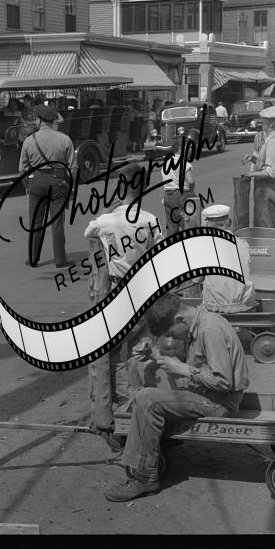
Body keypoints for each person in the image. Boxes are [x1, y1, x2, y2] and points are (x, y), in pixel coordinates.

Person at [104, 292, 249, 502]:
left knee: (147, 399)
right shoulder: (199, 323)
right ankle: (155, 443)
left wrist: (183, 369)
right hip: (206, 393)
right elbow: (196, 365)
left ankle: (145, 477)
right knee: (149, 379)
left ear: (180, 319)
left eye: (171, 333)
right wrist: (155, 356)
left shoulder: (210, 330)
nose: (173, 338)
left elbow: (224, 382)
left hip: (219, 402)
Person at [84, 163, 163, 439]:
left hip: (117, 292)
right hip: (143, 292)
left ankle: (125, 408)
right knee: (141, 349)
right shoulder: (150, 220)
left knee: (116, 354)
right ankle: (143, 401)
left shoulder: (106, 221)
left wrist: (113, 208)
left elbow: (89, 232)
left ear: (119, 188)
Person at [19, 105, 77, 268]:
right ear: (52, 121)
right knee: (57, 223)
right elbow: (73, 168)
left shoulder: (29, 140)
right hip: (58, 182)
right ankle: (60, 259)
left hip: (36, 182)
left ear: (39, 120)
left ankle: (33, 258)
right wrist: (71, 187)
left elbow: (22, 169)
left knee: (35, 222)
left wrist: (27, 186)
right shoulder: (65, 139)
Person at [198, 205, 256, 313]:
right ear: (229, 223)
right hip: (245, 306)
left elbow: (196, 279)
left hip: (216, 308)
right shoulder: (243, 244)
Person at [242, 106, 275, 228]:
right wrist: (251, 158)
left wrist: (251, 174)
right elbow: (268, 163)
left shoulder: (273, 142)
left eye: (264, 120)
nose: (261, 122)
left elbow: (271, 172)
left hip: (268, 191)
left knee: (265, 231)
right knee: (273, 229)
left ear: (272, 123)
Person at [161, 136, 195, 235]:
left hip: (168, 196)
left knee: (172, 229)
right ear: (181, 148)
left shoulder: (167, 163)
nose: (191, 150)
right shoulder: (184, 163)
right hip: (181, 196)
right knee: (188, 226)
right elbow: (191, 181)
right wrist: (191, 193)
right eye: (189, 148)